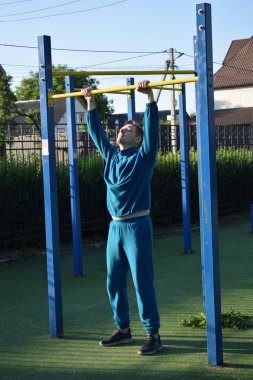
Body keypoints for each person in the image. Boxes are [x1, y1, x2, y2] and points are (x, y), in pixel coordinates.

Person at [81, 80, 162, 355]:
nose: (121, 130)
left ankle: (153, 333)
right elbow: (96, 135)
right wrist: (90, 103)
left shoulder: (144, 157)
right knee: (113, 281)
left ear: (137, 139)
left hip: (137, 225)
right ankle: (124, 330)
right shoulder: (112, 156)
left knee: (142, 281)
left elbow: (152, 131)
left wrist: (149, 98)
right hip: (115, 227)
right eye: (121, 128)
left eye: (127, 129)